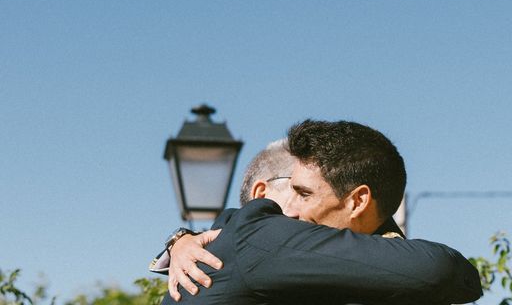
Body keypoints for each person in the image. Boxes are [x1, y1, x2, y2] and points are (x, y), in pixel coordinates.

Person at [156, 120, 482, 304]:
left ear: (357, 202)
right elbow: (443, 271)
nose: (291, 210)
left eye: (304, 194)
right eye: (293, 190)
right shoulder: (265, 236)